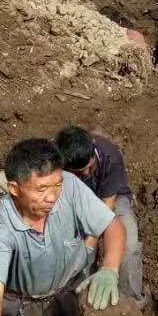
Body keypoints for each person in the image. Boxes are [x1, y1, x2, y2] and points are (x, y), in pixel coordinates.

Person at [0, 138, 126, 316]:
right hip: (24, 306)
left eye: (57, 184)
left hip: (70, 289)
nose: (52, 196)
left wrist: (110, 268)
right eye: (41, 189)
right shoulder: (1, 224)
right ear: (14, 188)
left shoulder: (70, 185)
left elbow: (112, 224)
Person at [55, 125, 144, 301]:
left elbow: (105, 210)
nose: (87, 173)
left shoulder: (111, 156)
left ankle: (133, 301)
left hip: (112, 200)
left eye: (90, 167)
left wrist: (91, 245)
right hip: (76, 204)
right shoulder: (55, 164)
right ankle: (79, 299)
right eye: (80, 173)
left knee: (129, 243)